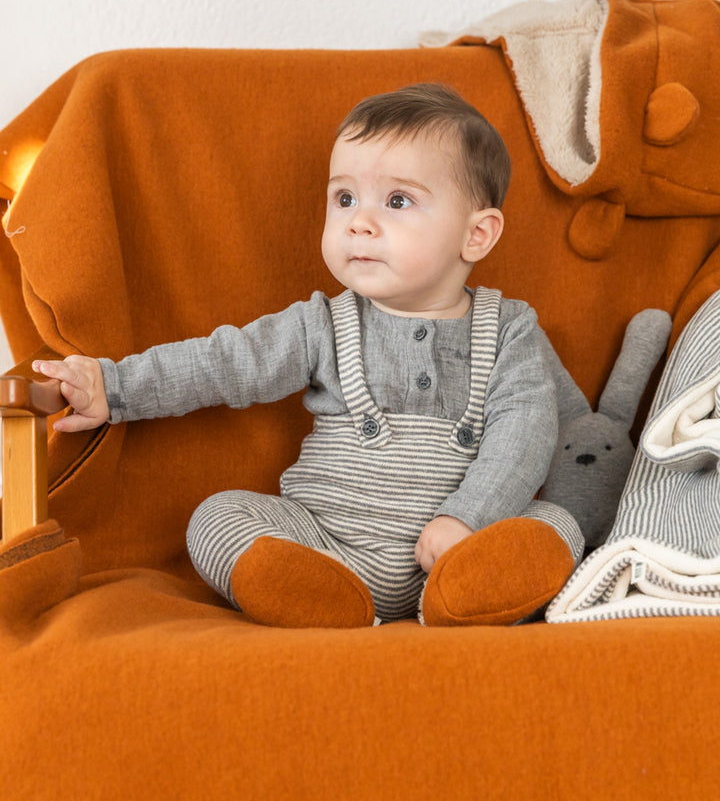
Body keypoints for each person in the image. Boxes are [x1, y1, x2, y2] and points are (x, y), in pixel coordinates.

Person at [33, 83, 582, 628]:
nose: (358, 221)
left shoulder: (509, 330)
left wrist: (468, 518)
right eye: (344, 198)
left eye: (397, 201)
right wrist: (116, 387)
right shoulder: (322, 324)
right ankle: (319, 601)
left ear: (477, 234)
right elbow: (226, 362)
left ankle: (463, 599)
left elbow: (526, 433)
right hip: (323, 540)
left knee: (558, 523)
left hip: (460, 547)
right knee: (215, 517)